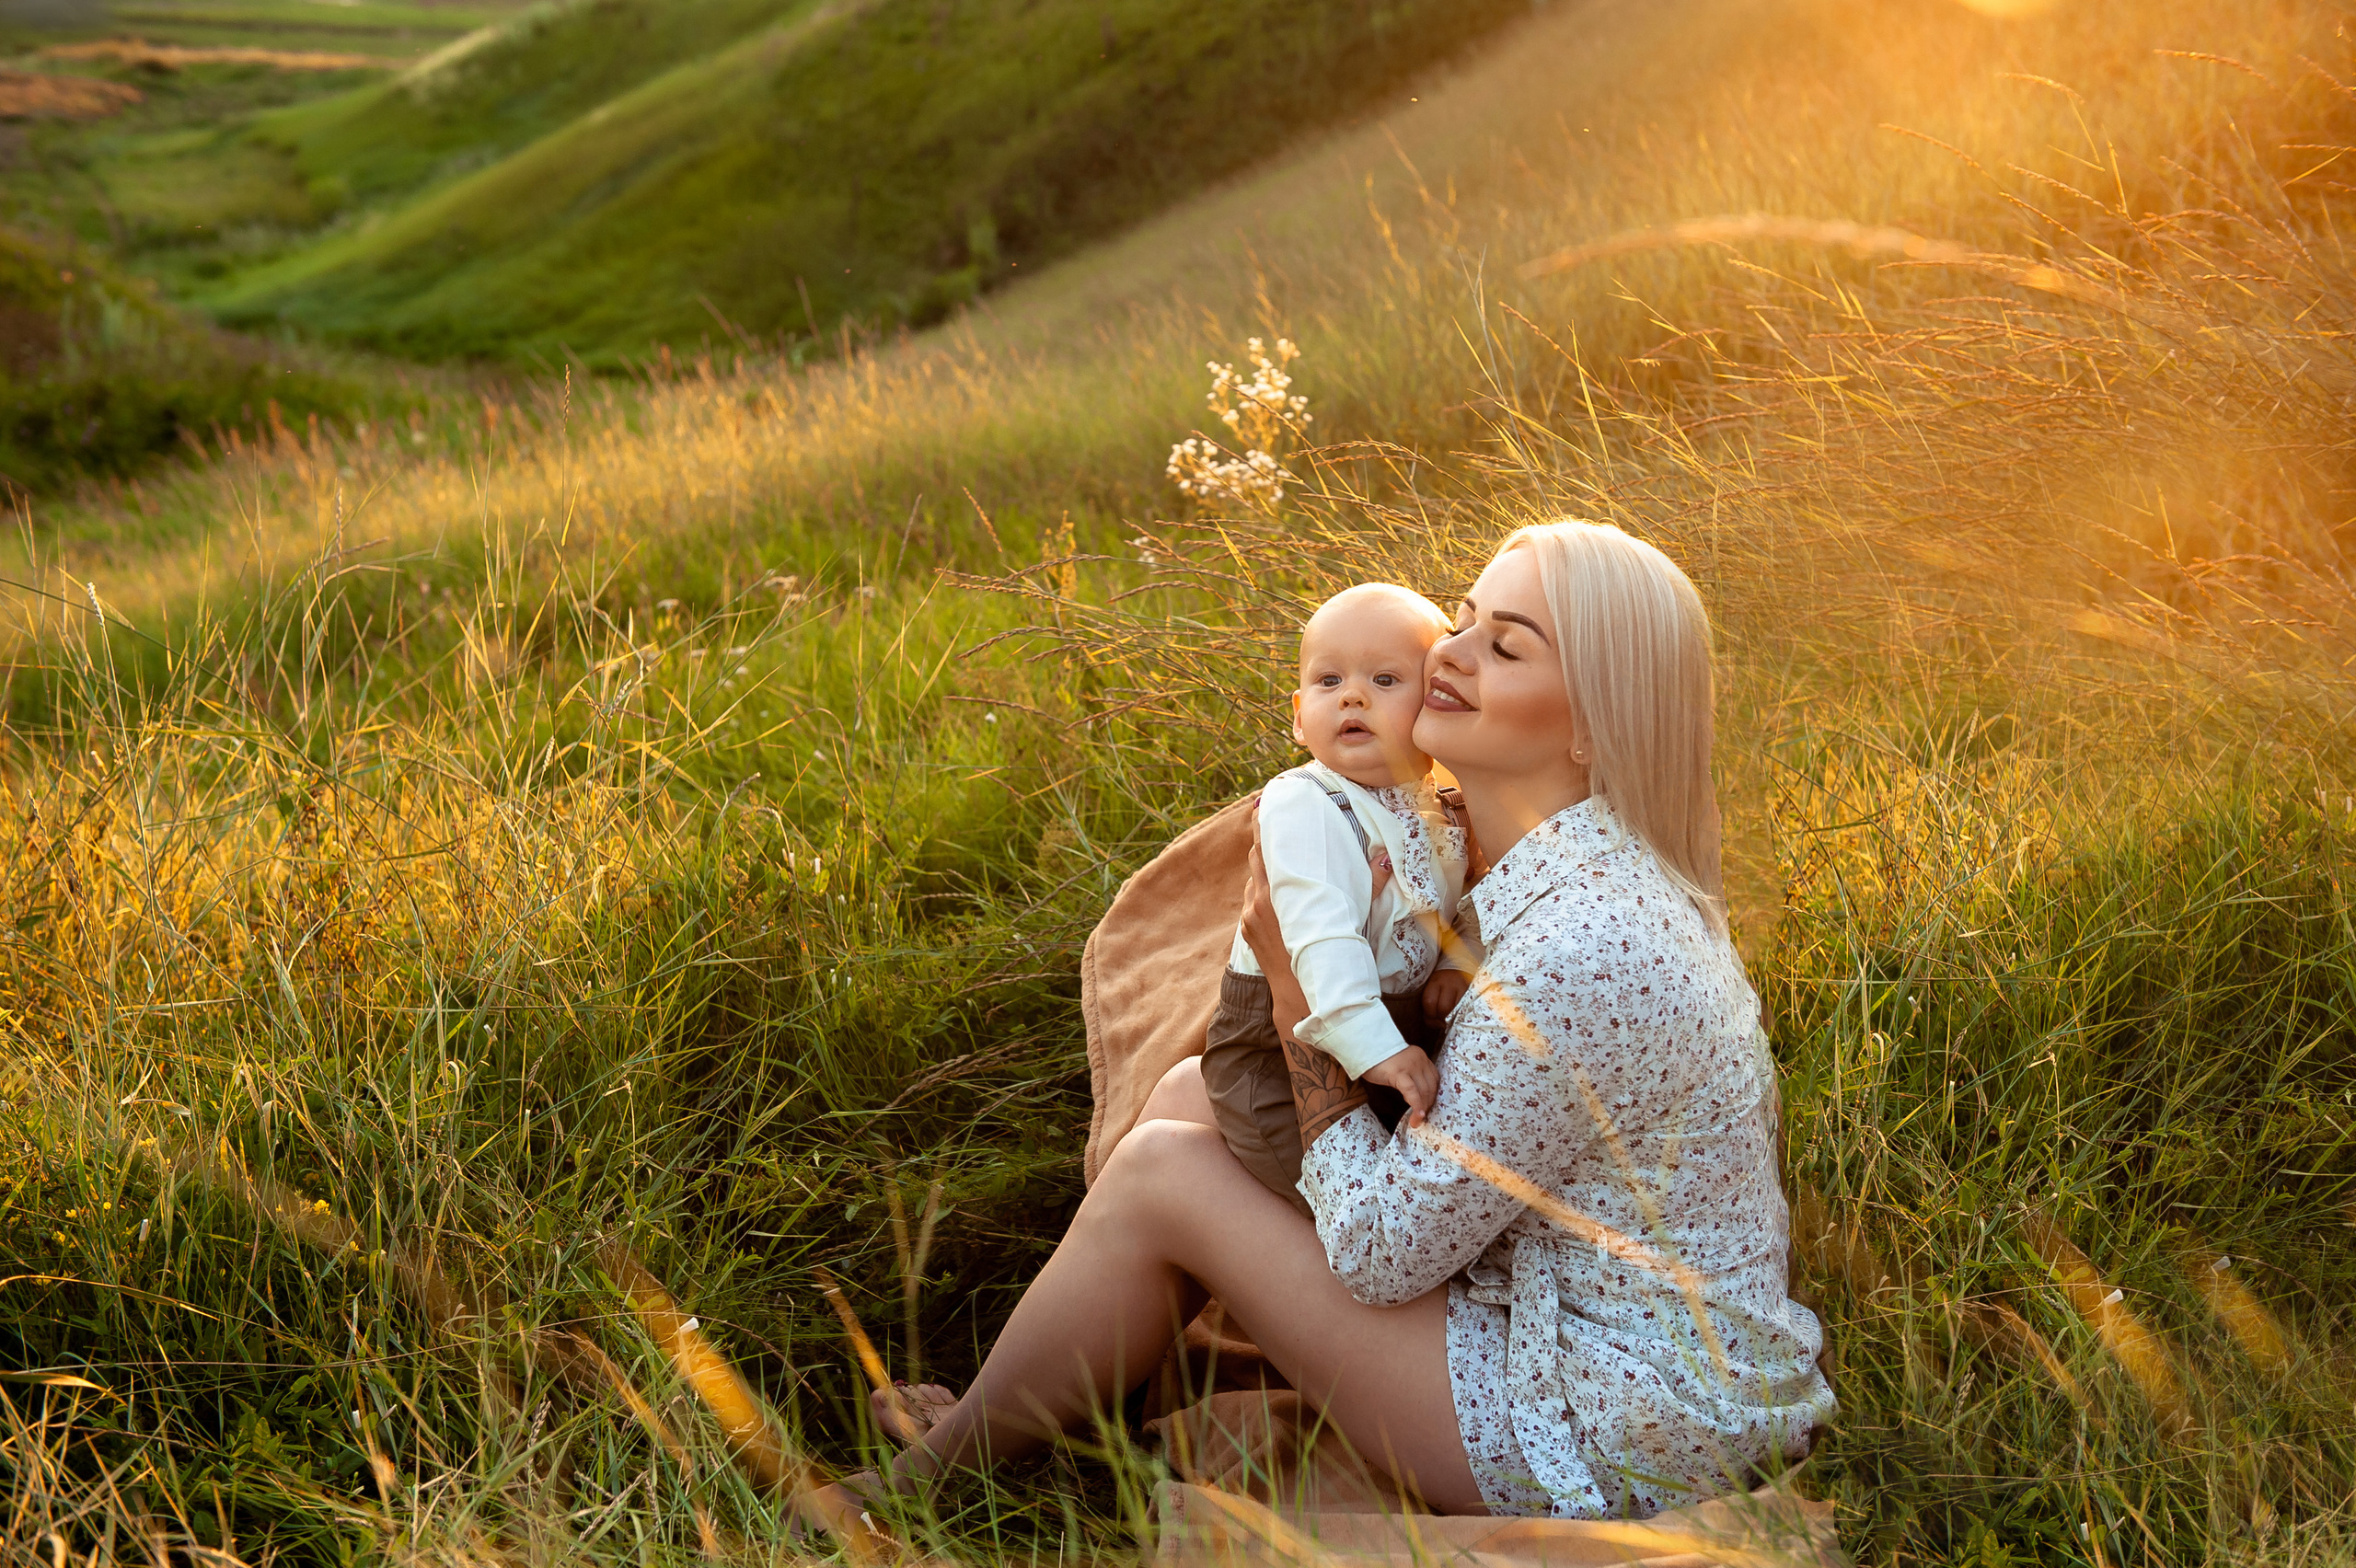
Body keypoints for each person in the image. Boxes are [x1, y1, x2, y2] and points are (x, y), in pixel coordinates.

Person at [854, 520, 1836, 1518]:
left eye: (1504, 646)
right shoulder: (1554, 869)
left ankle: (913, 1491)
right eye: (1461, 621)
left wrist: (1293, 1004)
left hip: (1610, 1421)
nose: (1446, 654)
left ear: (1590, 727)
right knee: (1192, 1093)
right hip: (1559, 1308)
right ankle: (1030, 1406)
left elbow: (1380, 1252)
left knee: (1162, 1174)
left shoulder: (1583, 950)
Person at [1201, 582, 1484, 1215]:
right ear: (1300, 715)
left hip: (1382, 1028)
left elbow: (1456, 897)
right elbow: (1320, 940)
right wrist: (1376, 1048)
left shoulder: (1434, 802)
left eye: (1386, 680)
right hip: (1279, 1053)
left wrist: (1449, 961)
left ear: (1435, 704)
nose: (1353, 695)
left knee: (1396, 1155)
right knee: (1321, 1203)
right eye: (1329, 682)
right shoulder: (1305, 802)